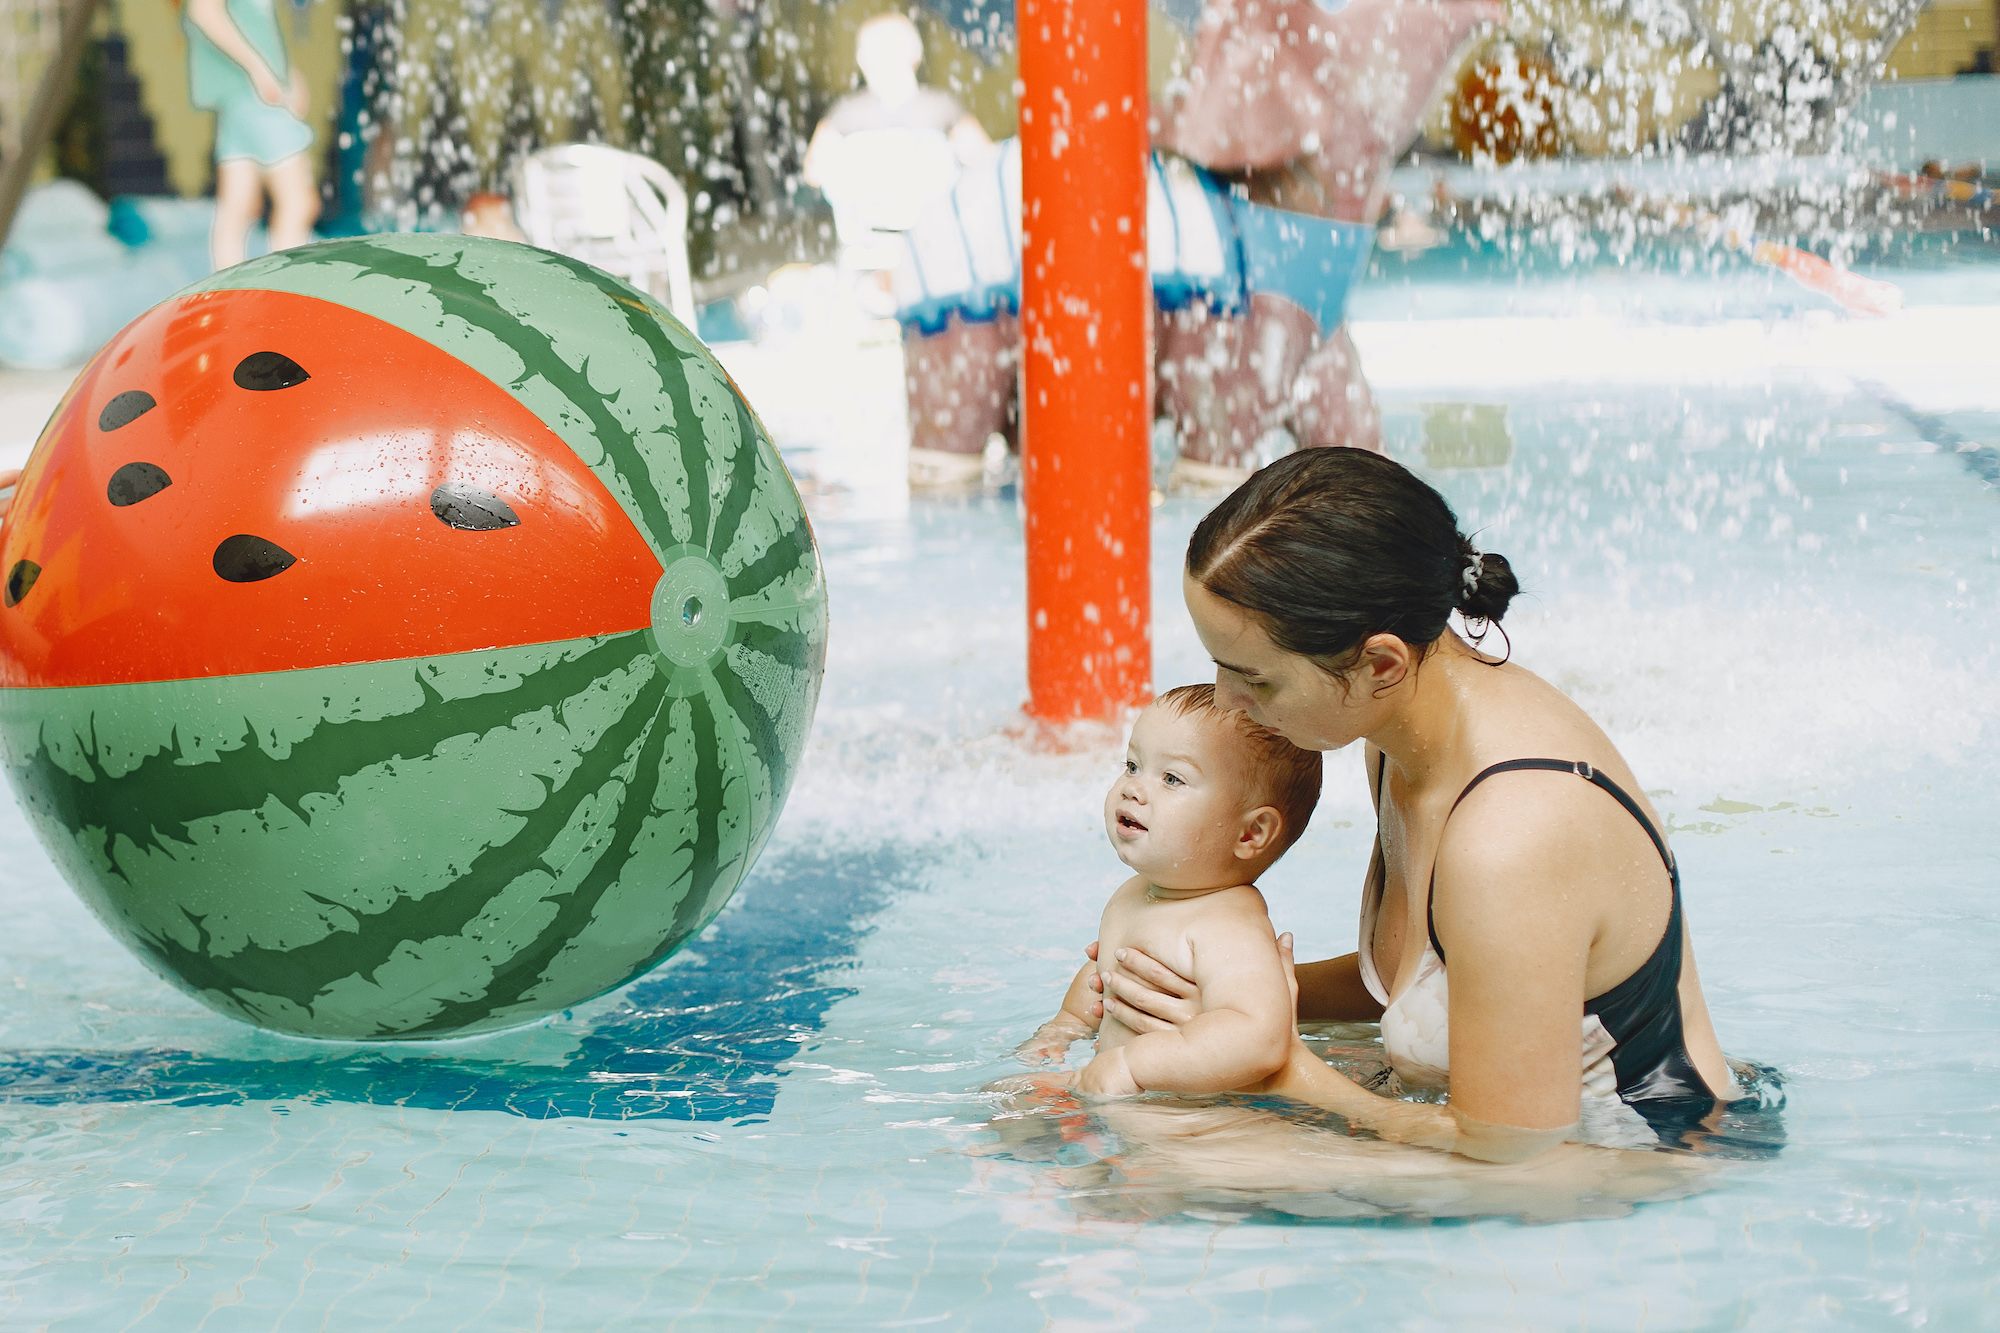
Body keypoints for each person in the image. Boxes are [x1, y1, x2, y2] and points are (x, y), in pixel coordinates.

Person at [1089, 448, 1742, 1163]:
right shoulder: (1395, 738)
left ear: (1379, 664)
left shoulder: (1509, 834)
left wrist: (1284, 1069)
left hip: (1628, 1163)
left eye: (1256, 680)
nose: (1224, 701)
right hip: (1505, 1146)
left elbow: (1511, 1153)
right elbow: (1431, 988)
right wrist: (1226, 996)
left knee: (1151, 1161)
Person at [1017, 684, 1322, 1097]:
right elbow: (1104, 976)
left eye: (1172, 778)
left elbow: (1259, 1038)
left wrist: (1130, 1066)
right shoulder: (1135, 893)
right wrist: (1064, 1028)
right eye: (1132, 765)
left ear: (1250, 833)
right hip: (1127, 1106)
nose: (1133, 788)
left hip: (1201, 1130)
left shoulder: (1227, 923)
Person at [182, 0, 320, 270]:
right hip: (254, 96)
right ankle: (287, 297)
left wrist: (287, 73)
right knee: (299, 201)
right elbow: (203, 11)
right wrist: (260, 71)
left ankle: (228, 305)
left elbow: (256, 29)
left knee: (238, 207)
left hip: (245, 96)